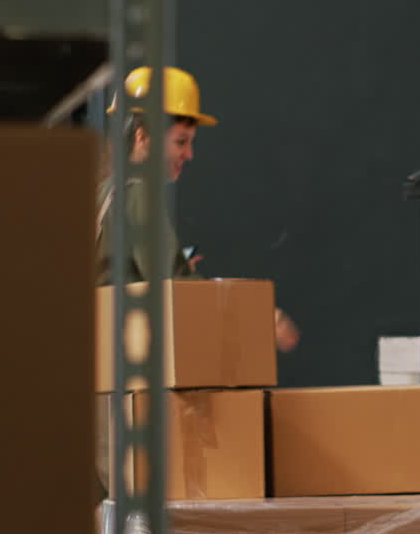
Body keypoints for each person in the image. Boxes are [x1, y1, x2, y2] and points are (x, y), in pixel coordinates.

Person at [98, 66, 299, 352]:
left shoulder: (105, 191)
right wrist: (261, 318)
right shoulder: (139, 193)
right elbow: (175, 287)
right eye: (181, 141)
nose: (189, 154)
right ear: (143, 137)